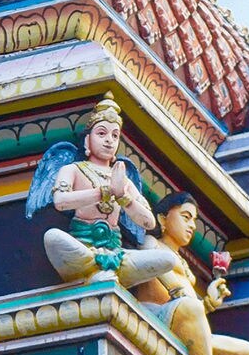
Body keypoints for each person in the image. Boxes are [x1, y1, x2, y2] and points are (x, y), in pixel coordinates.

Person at [24, 94, 178, 289]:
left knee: (168, 259)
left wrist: (123, 197)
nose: (109, 141)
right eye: (102, 133)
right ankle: (96, 272)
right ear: (88, 141)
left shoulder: (123, 179)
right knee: (53, 237)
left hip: (117, 252)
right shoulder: (72, 169)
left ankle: (106, 272)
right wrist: (103, 192)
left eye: (115, 136)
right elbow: (60, 201)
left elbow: (149, 221)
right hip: (84, 247)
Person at [134, 193, 249, 355]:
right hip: (156, 315)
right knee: (189, 306)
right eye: (185, 217)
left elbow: (191, 309)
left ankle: (199, 347)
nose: (192, 226)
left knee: (246, 351)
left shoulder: (183, 262)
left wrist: (208, 303)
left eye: (194, 221)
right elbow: (163, 277)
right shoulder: (151, 243)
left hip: (182, 318)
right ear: (162, 219)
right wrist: (179, 291)